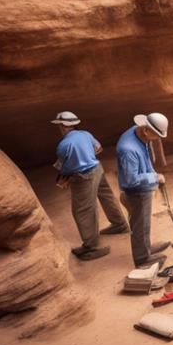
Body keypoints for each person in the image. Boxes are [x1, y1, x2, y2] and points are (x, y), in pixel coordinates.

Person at [52, 111, 128, 261]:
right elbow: (99, 148)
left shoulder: (63, 145)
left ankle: (91, 246)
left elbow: (64, 167)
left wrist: (63, 179)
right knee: (106, 196)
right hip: (97, 169)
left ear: (62, 126)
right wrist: (87, 155)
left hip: (82, 176)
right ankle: (120, 224)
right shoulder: (86, 134)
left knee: (83, 209)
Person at [116, 113, 172, 269]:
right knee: (140, 224)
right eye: (155, 135)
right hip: (137, 191)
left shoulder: (139, 132)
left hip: (144, 187)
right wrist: (155, 177)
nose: (156, 139)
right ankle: (142, 259)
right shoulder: (128, 149)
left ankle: (146, 248)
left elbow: (146, 157)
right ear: (146, 130)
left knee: (144, 223)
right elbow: (131, 180)